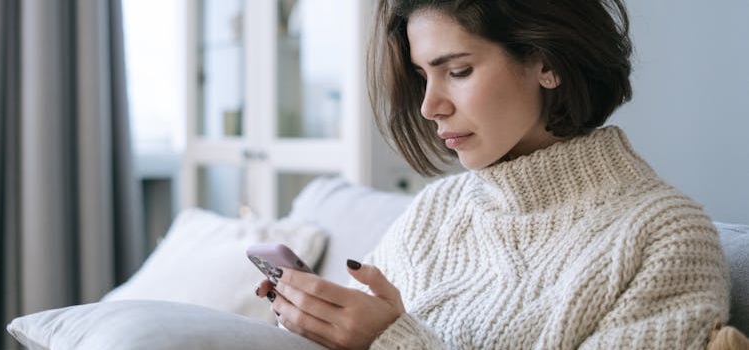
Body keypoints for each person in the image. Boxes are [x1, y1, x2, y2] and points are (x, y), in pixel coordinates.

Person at [256, 0, 743, 348]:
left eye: (458, 71)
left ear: (547, 62)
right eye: (424, 76)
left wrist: (392, 341)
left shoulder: (666, 237)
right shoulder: (437, 209)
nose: (429, 106)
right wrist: (308, 321)